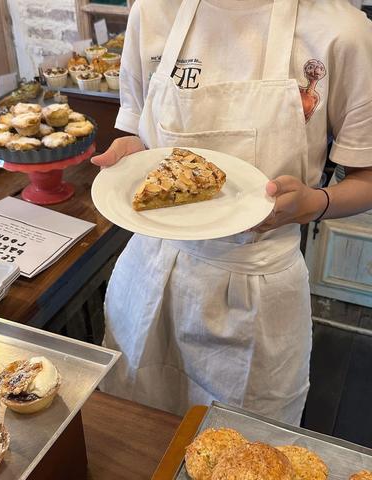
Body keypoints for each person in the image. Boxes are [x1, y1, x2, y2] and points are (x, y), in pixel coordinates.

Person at [92, 0, 372, 425]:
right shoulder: (152, 13)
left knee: (243, 449)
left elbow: (366, 177)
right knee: (135, 436)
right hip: (149, 273)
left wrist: (316, 203)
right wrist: (133, 156)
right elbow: (142, 137)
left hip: (256, 291)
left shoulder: (342, 30)